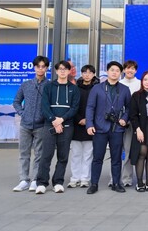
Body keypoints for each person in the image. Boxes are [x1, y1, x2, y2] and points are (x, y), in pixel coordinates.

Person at [85, 61, 131, 194]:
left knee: (116, 158)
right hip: (99, 128)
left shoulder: (124, 89)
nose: (114, 73)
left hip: (117, 128)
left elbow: (129, 107)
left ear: (120, 73)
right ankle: (94, 184)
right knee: (97, 157)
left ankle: (116, 183)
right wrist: (89, 124)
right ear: (107, 71)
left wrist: (124, 119)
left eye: (117, 71)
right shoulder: (97, 88)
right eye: (112, 70)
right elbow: (90, 107)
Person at [34, 60, 80, 194]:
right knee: (46, 155)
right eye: (60, 69)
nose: (62, 71)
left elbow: (74, 108)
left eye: (65, 69)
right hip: (50, 124)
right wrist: (54, 120)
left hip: (67, 125)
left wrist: (62, 120)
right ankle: (41, 183)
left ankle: (58, 182)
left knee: (63, 156)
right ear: (56, 71)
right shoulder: (49, 87)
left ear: (69, 71)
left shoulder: (74, 89)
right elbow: (45, 106)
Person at [12, 55, 50, 192]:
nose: (40, 69)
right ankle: (23, 180)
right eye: (38, 66)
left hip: (41, 125)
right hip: (25, 125)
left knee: (39, 154)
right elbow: (16, 101)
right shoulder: (26, 84)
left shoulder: (49, 85)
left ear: (46, 68)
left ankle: (35, 180)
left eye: (43, 66)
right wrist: (22, 113)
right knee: (24, 153)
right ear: (34, 68)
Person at [68, 64, 99, 189]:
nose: (87, 75)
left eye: (90, 72)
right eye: (85, 72)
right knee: (76, 154)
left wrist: (88, 120)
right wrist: (79, 119)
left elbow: (98, 107)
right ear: (81, 74)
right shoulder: (75, 88)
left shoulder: (97, 89)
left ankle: (85, 178)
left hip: (91, 125)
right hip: (77, 125)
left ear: (93, 74)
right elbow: (72, 106)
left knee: (88, 154)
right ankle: (74, 178)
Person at [116, 59, 139, 187]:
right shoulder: (118, 83)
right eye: (127, 68)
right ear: (124, 70)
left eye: (132, 68)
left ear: (136, 70)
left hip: (132, 123)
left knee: (128, 151)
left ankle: (127, 179)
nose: (130, 70)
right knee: (116, 151)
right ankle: (114, 178)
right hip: (117, 123)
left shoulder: (140, 84)